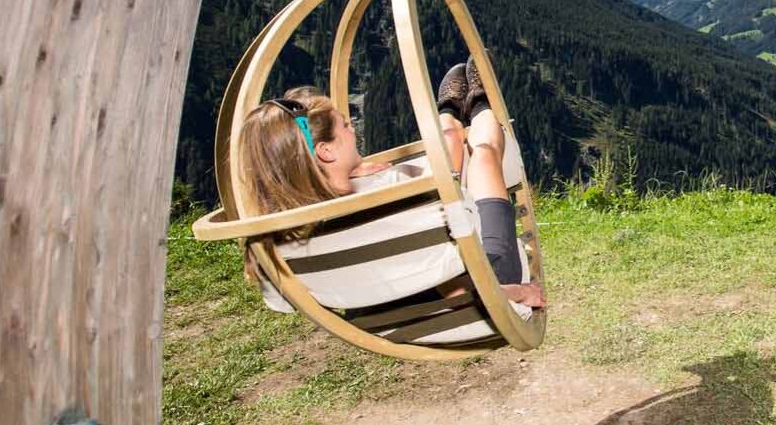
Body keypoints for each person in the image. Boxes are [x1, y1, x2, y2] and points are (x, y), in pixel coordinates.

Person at [233, 66, 545, 309]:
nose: (352, 129)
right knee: (485, 154)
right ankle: (479, 106)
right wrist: (520, 293)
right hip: (483, 286)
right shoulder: (390, 203)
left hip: (384, 306)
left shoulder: (272, 239)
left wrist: (349, 173)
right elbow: (456, 285)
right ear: (326, 151)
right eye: (345, 125)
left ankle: (449, 113)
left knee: (448, 150)